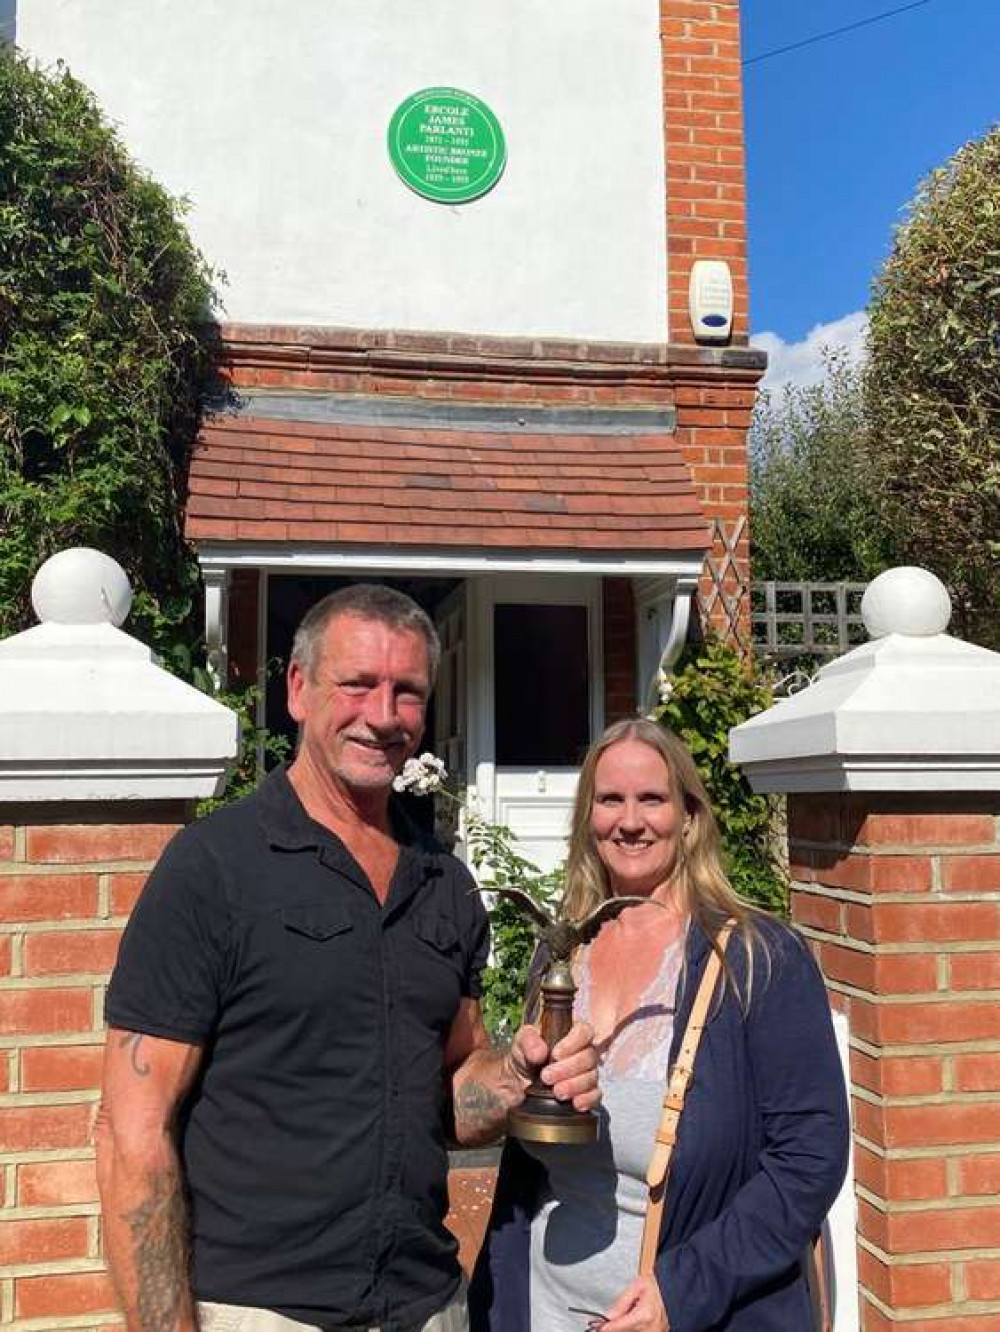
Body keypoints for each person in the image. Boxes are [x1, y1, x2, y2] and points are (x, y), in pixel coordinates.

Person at [96, 584, 598, 1332]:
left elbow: (453, 1096)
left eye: (407, 693)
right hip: (261, 1311)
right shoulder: (215, 869)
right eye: (357, 685)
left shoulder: (444, 884)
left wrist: (521, 1076)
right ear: (298, 690)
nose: (383, 716)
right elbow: (132, 1132)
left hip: (426, 1307)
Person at [471, 717, 849, 1332]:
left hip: (690, 1313)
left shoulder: (756, 959)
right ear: (588, 817)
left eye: (652, 799)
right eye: (610, 799)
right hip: (544, 1305)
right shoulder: (563, 953)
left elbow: (809, 1159)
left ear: (690, 815)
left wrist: (685, 1290)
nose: (630, 821)